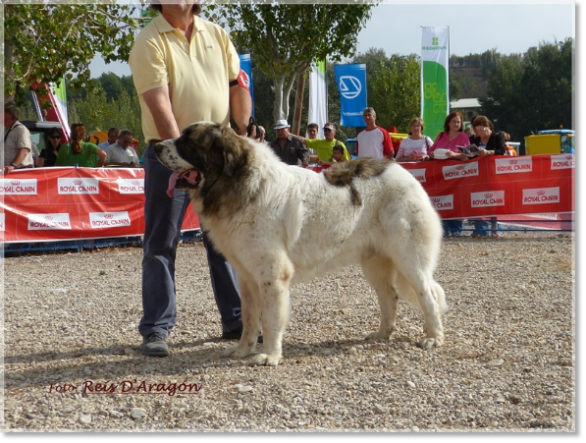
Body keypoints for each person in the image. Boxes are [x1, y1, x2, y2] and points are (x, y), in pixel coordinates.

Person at [129, 1, 253, 357]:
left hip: (218, 156)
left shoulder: (218, 34)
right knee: (161, 243)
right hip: (170, 155)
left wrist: (244, 125)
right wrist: (183, 158)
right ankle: (156, 327)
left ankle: (236, 321)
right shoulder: (149, 41)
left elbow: (237, 85)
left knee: (225, 240)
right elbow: (160, 104)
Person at [427, 111, 470, 237]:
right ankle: (444, 230)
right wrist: (433, 154)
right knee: (442, 201)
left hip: (457, 177)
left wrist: (454, 155)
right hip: (441, 176)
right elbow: (430, 151)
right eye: (454, 121)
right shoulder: (441, 136)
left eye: (458, 121)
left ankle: (456, 229)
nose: (456, 124)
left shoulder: (463, 137)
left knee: (456, 201)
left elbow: (468, 157)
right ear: (448, 122)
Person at [469, 115, 507, 238]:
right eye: (477, 131)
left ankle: (495, 228)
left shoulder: (497, 137)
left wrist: (488, 153)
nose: (479, 133)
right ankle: (480, 228)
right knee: (478, 200)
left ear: (488, 127)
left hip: (494, 174)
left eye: (481, 130)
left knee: (494, 200)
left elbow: (501, 151)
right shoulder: (474, 139)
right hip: (478, 175)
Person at [3, 101, 34, 174]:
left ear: (10, 114)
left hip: (21, 172)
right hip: (8, 171)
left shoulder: (21, 129)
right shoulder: (5, 131)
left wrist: (13, 165)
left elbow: (24, 150)